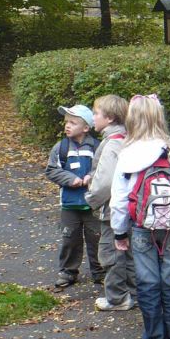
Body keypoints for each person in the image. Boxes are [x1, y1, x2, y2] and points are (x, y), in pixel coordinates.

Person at [110, 95, 170, 339]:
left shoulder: (127, 156)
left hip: (141, 227)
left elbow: (119, 200)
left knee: (147, 283)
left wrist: (119, 232)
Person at [85, 95, 136, 311]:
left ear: (110, 118)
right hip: (129, 208)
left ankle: (117, 298)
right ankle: (134, 294)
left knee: (110, 253)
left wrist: (91, 198)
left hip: (113, 210)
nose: (93, 117)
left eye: (96, 113)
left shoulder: (113, 144)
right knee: (129, 253)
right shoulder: (127, 139)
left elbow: (106, 182)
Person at [45, 104, 103, 288]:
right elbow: (51, 170)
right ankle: (68, 272)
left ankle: (100, 272)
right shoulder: (60, 148)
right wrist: (71, 179)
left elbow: (104, 169)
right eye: (66, 122)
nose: (67, 126)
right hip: (69, 204)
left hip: (93, 204)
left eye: (73, 123)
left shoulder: (97, 147)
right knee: (69, 239)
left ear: (86, 127)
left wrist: (91, 177)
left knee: (97, 238)